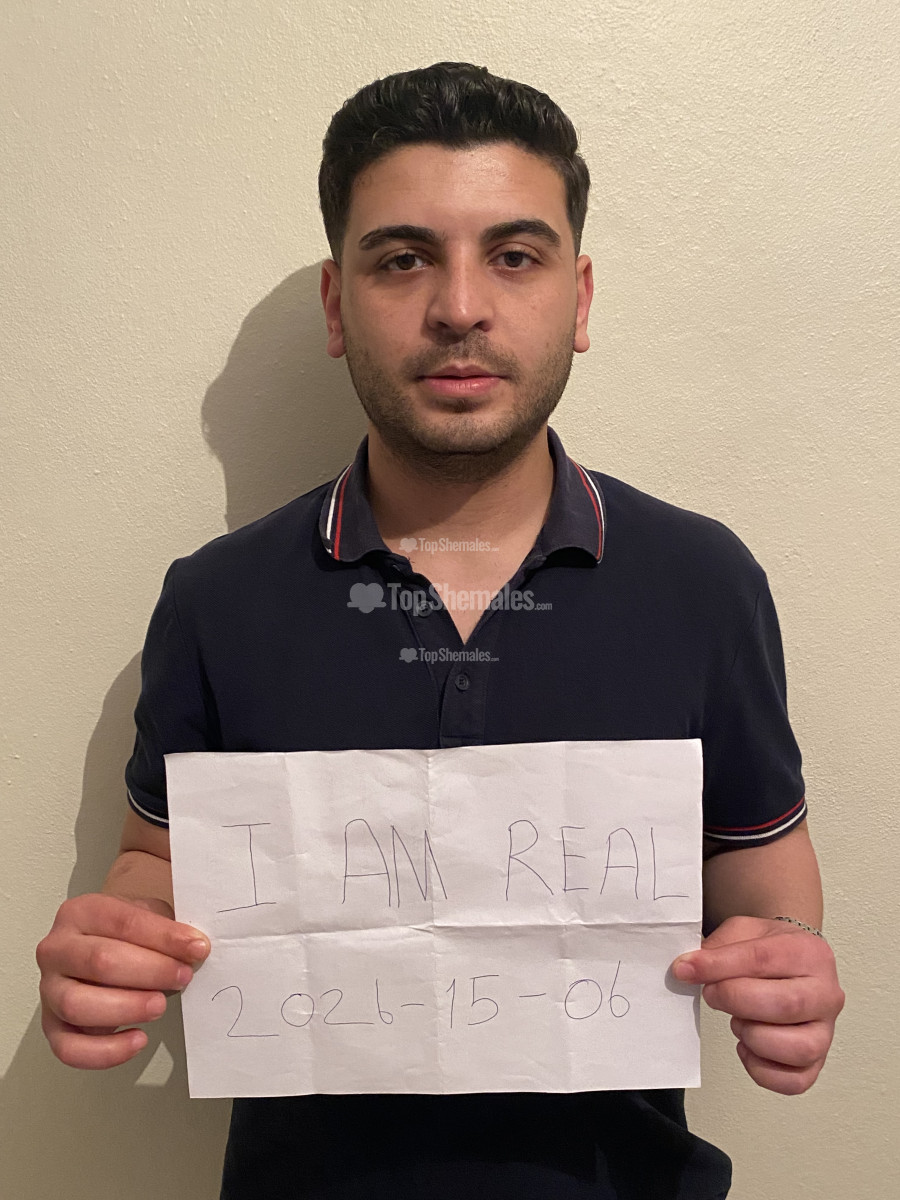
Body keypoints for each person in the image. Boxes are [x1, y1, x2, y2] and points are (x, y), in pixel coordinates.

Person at [36, 62, 844, 1199]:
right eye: (403, 257)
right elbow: (159, 858)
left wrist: (789, 959)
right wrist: (118, 936)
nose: (460, 306)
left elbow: (760, 868)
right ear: (337, 305)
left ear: (579, 297)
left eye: (514, 255)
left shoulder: (703, 582)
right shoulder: (217, 599)